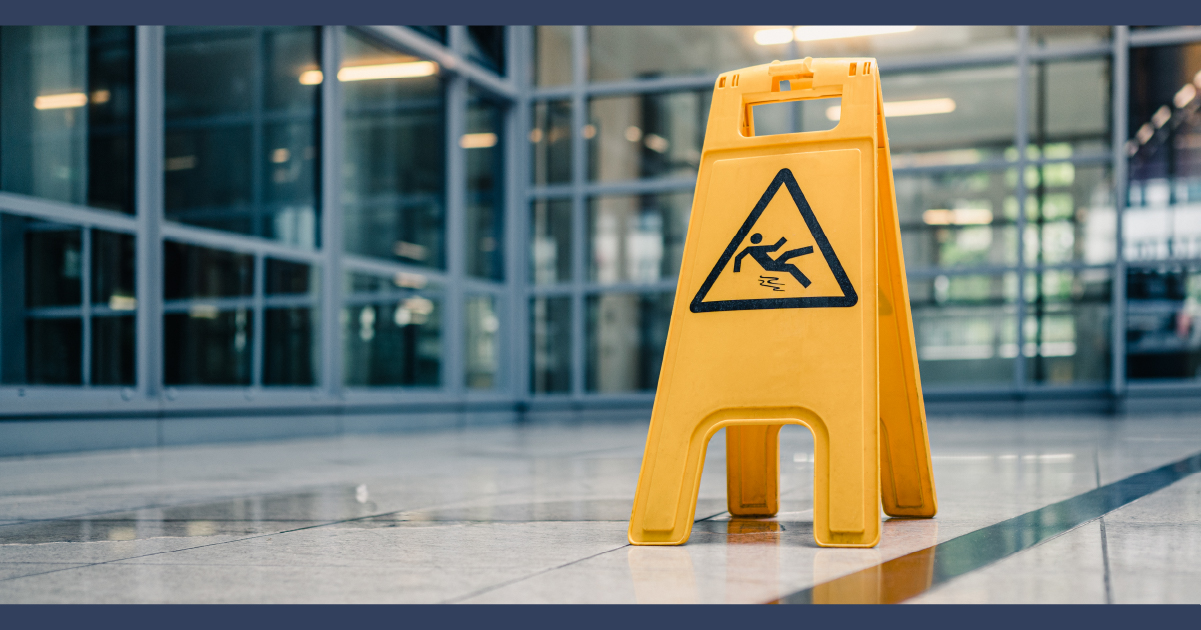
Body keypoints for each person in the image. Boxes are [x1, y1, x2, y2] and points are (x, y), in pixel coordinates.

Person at [733, 233, 813, 287]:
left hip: (772, 263)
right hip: (770, 266)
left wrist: (783, 240)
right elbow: (738, 257)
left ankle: (811, 249)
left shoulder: (754, 248)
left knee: (787, 254)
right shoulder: (750, 249)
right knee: (790, 266)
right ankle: (807, 283)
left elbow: (774, 248)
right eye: (758, 238)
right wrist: (736, 270)